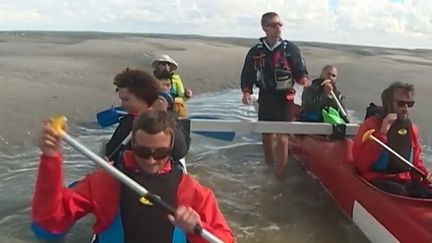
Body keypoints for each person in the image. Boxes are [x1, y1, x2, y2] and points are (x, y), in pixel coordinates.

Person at [31, 110, 234, 242]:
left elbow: (225, 239)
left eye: (160, 153)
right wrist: (51, 159)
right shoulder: (105, 180)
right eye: (144, 152)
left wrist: (196, 229)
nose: (151, 160)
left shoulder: (193, 191)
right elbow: (48, 227)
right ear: (133, 144)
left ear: (171, 147)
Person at [240, 12, 309, 178]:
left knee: (283, 137)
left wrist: (304, 80)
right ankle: (269, 166)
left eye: (280, 24)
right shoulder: (256, 51)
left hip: (285, 98)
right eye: (273, 25)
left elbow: (300, 70)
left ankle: (280, 175)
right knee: (266, 135)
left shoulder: (290, 49)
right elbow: (247, 73)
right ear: (264, 28)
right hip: (266, 96)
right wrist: (246, 91)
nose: (278, 28)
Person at [353, 82, 432, 198]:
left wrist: (424, 174)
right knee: (399, 190)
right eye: (401, 104)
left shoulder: (412, 129)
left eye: (409, 104)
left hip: (403, 179)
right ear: (389, 103)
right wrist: (382, 133)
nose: (405, 109)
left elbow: (414, 161)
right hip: (376, 178)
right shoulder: (370, 126)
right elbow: (361, 164)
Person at [104, 68, 190, 167]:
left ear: (143, 97)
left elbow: (180, 152)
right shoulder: (127, 122)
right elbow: (111, 151)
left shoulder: (168, 119)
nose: (122, 105)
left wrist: (162, 117)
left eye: (126, 99)